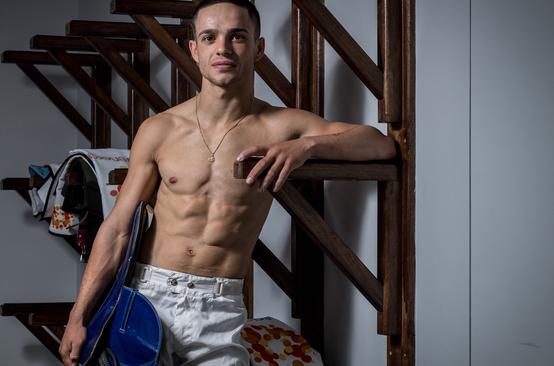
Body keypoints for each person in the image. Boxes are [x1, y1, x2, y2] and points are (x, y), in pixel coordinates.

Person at [59, 0, 396, 365]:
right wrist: (78, 317)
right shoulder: (159, 130)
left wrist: (307, 146)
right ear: (195, 50)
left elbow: (380, 144)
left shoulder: (280, 126)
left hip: (219, 306)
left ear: (258, 48)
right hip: (147, 300)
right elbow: (117, 229)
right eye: (209, 37)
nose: (222, 48)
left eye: (237, 36)